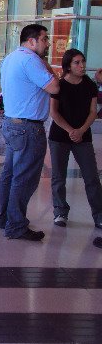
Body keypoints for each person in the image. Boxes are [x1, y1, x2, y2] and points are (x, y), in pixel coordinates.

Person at [0, 24, 59, 241]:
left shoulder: (11, 57)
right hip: (28, 128)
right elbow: (54, 87)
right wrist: (47, 66)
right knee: (24, 178)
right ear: (31, 41)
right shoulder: (31, 60)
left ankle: (5, 218)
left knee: (10, 174)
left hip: (12, 123)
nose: (48, 43)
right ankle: (16, 225)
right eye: (44, 39)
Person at [48, 49, 102, 229]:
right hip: (59, 136)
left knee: (91, 177)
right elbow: (53, 112)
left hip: (83, 137)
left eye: (83, 62)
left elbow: (93, 111)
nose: (82, 66)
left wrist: (81, 130)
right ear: (68, 66)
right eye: (77, 62)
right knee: (58, 177)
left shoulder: (89, 85)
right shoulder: (59, 85)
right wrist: (71, 130)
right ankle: (60, 212)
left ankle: (99, 215)